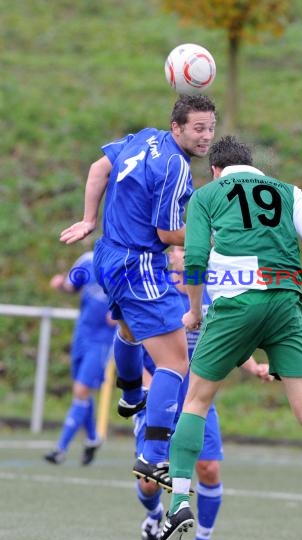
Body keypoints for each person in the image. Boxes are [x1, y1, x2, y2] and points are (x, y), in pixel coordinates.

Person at [157, 135, 302, 540]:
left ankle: (177, 505)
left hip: (235, 303)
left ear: (216, 170)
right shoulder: (288, 191)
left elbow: (194, 259)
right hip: (286, 303)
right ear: (254, 166)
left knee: (196, 402)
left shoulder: (207, 195)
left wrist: (193, 310)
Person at [60, 95, 217, 487]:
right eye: (198, 128)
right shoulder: (176, 167)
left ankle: (131, 394)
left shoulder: (144, 137)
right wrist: (211, 238)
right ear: (177, 127)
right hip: (139, 265)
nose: (206, 136)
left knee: (129, 330)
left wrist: (88, 219)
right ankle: (153, 456)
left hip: (107, 255)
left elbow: (99, 168)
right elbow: (166, 233)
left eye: (210, 128)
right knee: (176, 361)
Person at [134, 246, 272, 540]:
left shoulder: (212, 292)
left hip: (198, 398)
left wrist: (254, 367)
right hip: (160, 400)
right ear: (169, 255)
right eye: (181, 248)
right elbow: (130, 343)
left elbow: (226, 340)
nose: (187, 253)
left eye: (192, 248)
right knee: (149, 480)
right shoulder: (154, 292)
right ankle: (154, 516)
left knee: (208, 468)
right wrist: (146, 384)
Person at [44, 250, 116, 465]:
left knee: (81, 390)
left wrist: (122, 312)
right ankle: (93, 438)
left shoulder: (126, 266)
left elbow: (137, 299)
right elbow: (70, 286)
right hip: (82, 335)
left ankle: (60, 449)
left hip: (103, 341)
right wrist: (60, 284)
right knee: (81, 391)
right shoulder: (87, 261)